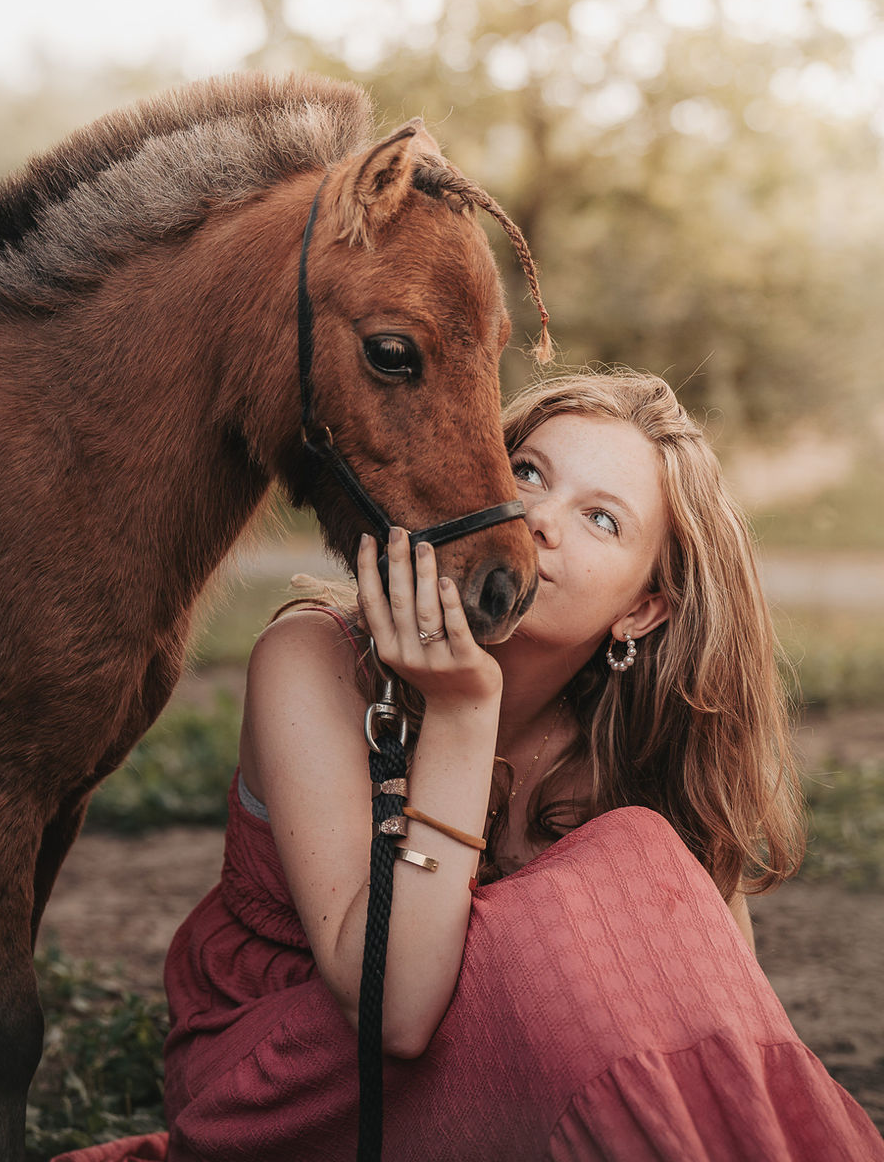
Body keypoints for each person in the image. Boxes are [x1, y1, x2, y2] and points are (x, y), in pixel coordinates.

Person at [55, 370, 883, 1162]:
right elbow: (395, 1014)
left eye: (602, 519)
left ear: (642, 608)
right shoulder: (313, 660)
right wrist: (458, 714)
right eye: (528, 471)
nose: (542, 519)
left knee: (636, 852)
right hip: (298, 1080)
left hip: (522, 1086)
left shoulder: (629, 748)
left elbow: (723, 1023)